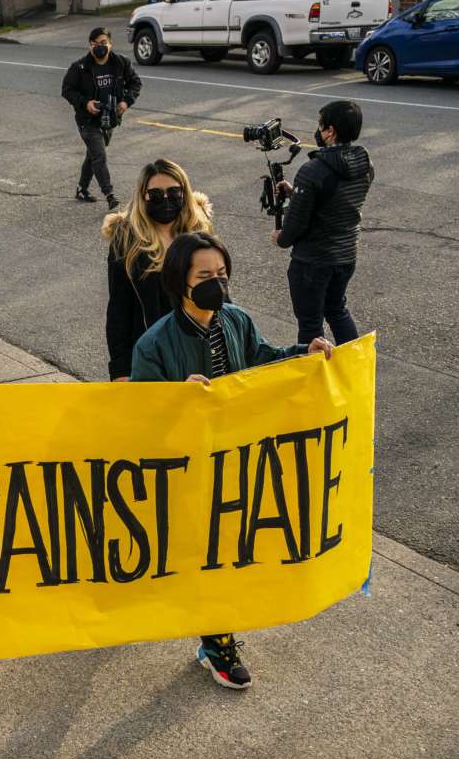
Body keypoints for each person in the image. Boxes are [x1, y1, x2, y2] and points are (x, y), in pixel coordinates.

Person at [128, 232, 334, 690]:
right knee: (207, 556)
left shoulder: (236, 320)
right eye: (205, 276)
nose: (216, 285)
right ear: (181, 281)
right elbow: (138, 416)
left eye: (222, 275)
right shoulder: (153, 344)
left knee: (227, 552)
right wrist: (177, 400)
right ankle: (218, 642)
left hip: (236, 459)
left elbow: (262, 360)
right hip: (188, 469)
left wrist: (304, 354)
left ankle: (214, 633)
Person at [272, 100, 373, 346]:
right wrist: (297, 193)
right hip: (346, 256)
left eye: (320, 126)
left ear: (330, 131)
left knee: (310, 325)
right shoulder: (365, 165)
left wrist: (281, 238)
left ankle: (316, 379)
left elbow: (296, 225)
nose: (317, 131)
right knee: (337, 310)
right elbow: (334, 202)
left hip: (313, 262)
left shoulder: (313, 170)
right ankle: (352, 368)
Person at [104, 159, 213, 381]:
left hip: (198, 350)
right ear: (143, 196)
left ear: (185, 193)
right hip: (151, 355)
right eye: (155, 195)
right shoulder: (127, 241)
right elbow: (118, 309)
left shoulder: (198, 233)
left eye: (174, 193)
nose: (165, 201)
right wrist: (120, 370)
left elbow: (219, 293)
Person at [61, 27, 142, 210]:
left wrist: (126, 102)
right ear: (90, 46)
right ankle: (109, 194)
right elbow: (67, 90)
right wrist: (85, 103)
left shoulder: (121, 63)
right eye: (95, 43)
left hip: (110, 118)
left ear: (110, 44)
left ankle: (82, 189)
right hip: (87, 120)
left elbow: (136, 82)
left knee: (93, 155)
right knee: (99, 155)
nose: (100, 46)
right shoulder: (79, 67)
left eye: (103, 43)